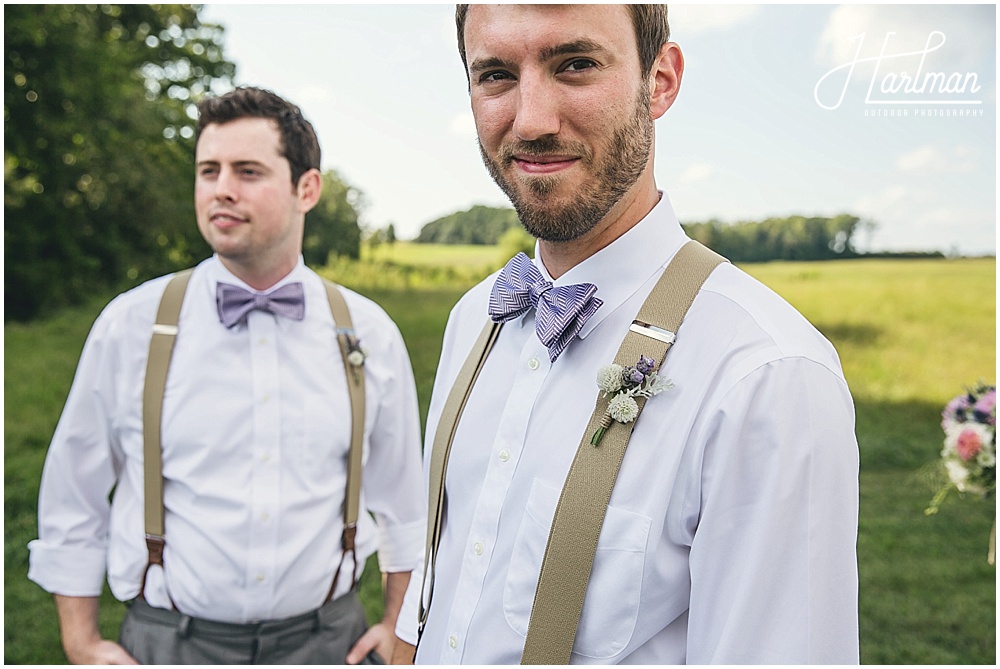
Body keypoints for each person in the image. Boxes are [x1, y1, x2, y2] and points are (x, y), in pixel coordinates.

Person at [391, 4, 859, 664]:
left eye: (575, 64)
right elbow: (444, 581)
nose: (531, 120)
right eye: (495, 74)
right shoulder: (477, 317)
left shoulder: (767, 375)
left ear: (660, 79)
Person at [28, 86, 425, 665]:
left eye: (247, 170)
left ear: (305, 189)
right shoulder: (132, 325)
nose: (221, 189)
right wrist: (81, 641)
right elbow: (72, 494)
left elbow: (405, 504)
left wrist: (398, 623)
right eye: (208, 170)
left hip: (326, 641)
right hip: (168, 643)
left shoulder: (368, 333)